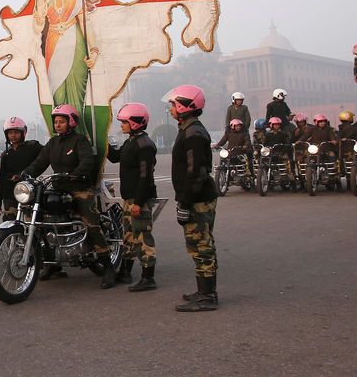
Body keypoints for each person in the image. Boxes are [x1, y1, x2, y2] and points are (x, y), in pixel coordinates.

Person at [23, 104, 115, 288]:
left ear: (71, 122)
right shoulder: (53, 143)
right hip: (58, 188)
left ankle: (108, 267)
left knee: (91, 224)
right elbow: (39, 162)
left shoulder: (80, 141)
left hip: (79, 188)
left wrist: (77, 173)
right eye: (56, 121)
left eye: (61, 121)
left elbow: (87, 161)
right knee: (43, 222)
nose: (57, 124)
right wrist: (25, 173)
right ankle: (52, 264)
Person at [32, 0, 104, 140]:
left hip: (75, 41)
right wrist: (38, 17)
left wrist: (94, 50)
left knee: (76, 99)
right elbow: (37, 28)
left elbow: (84, 20)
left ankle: (82, 141)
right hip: (53, 44)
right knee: (59, 97)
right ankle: (62, 142)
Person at [163, 85, 219, 312]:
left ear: (185, 106)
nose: (171, 110)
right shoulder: (189, 128)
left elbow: (195, 173)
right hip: (195, 196)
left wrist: (185, 203)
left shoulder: (193, 133)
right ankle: (203, 291)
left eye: (173, 105)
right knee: (196, 244)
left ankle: (207, 296)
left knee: (201, 244)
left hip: (198, 198)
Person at [105, 103, 158, 292]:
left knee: (143, 236)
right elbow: (116, 157)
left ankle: (148, 277)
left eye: (124, 122)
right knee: (128, 236)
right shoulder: (131, 141)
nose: (121, 125)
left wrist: (139, 202)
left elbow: (146, 177)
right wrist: (103, 141)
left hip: (139, 199)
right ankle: (125, 272)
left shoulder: (144, 145)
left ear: (135, 123)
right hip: (130, 199)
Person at [0, 117, 43, 221]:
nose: (13, 135)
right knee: (9, 222)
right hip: (9, 194)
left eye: (16, 132)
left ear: (23, 133)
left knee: (33, 223)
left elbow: (48, 153)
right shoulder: (5, 155)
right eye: (10, 133)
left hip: (29, 192)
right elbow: (1, 178)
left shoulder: (33, 147)